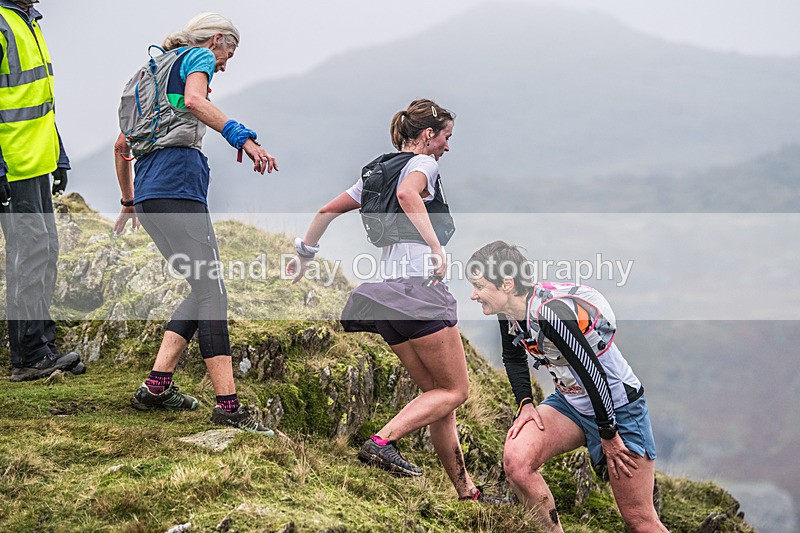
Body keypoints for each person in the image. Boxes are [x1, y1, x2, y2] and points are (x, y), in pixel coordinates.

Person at [286, 99, 503, 502]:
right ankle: (382, 443)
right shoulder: (423, 166)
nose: (447, 147)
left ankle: (466, 491)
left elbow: (326, 210)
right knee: (456, 391)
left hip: (386, 296)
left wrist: (304, 254)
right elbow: (408, 194)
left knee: (438, 398)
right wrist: (436, 247)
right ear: (427, 135)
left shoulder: (374, 174)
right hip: (419, 291)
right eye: (446, 137)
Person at [113, 13, 277, 433]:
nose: (224, 64)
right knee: (214, 292)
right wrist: (242, 136)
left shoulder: (148, 73)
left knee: (202, 286)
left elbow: (121, 144)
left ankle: (156, 387)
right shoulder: (196, 57)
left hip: (149, 193)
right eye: (229, 53)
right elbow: (195, 102)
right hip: (178, 184)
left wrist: (129, 200)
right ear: (217, 40)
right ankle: (228, 405)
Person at [467, 241, 668, 532]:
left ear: (507, 284)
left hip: (618, 407)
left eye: (480, 286)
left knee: (639, 520)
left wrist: (608, 435)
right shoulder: (507, 310)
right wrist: (525, 404)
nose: (474, 295)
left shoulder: (552, 314)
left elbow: (592, 374)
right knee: (516, 461)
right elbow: (512, 355)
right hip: (571, 404)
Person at [0, 0, 85, 381]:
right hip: (13, 167)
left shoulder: (28, 22)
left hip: (34, 163)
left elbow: (39, 103)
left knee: (44, 251)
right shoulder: (3, 24)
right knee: (30, 255)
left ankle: (41, 348)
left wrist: (59, 155)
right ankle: (29, 355)